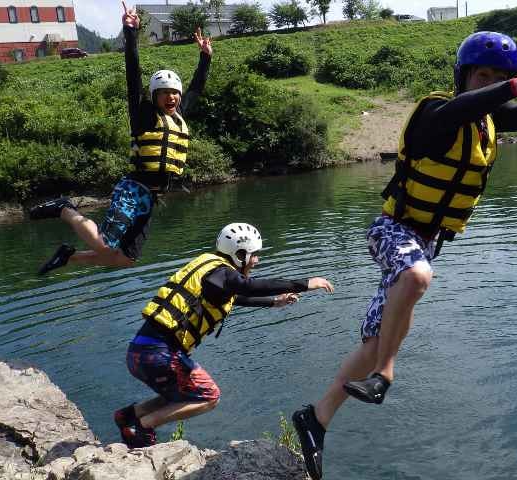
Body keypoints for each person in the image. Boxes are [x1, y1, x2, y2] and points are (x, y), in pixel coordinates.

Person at [291, 19, 517, 480]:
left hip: (427, 241)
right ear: (463, 77)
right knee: (417, 277)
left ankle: (315, 419)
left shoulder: (489, 122)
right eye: (483, 77)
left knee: (372, 337)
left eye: (500, 79)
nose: (492, 86)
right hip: (391, 229)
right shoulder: (437, 113)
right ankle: (385, 374)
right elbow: (452, 115)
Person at [29, 2, 213, 275]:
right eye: (164, 92)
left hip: (151, 199)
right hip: (133, 190)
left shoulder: (179, 116)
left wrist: (205, 58)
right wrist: (130, 33)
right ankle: (65, 208)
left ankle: (69, 257)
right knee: (104, 243)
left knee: (125, 258)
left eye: (174, 92)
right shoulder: (144, 115)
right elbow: (133, 74)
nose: (171, 97)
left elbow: (196, 88)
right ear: (154, 96)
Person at [114, 222, 334, 448]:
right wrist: (305, 284)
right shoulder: (224, 274)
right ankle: (146, 425)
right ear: (239, 255)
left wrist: (273, 302)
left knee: (185, 393)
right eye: (254, 255)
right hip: (159, 355)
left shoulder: (211, 268)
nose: (256, 260)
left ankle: (129, 416)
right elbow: (250, 287)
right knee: (209, 396)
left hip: (140, 352)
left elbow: (232, 297)